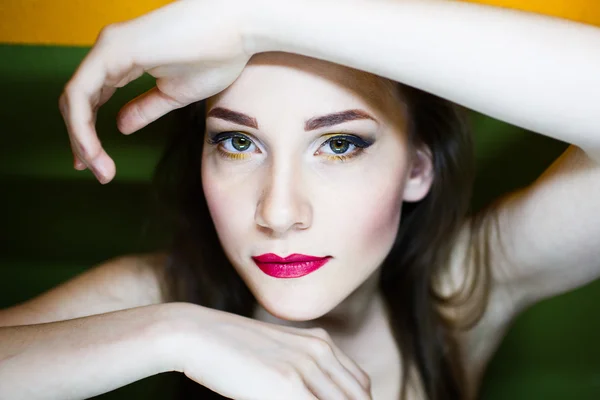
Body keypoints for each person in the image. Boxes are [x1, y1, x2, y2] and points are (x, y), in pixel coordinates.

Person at [1, 0, 599, 399]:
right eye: (238, 142)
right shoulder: (161, 293)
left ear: (417, 169)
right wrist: (173, 334)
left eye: (338, 144)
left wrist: (251, 17)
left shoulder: (466, 292)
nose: (279, 213)